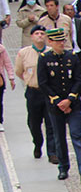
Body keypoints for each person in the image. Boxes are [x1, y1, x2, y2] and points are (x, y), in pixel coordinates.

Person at [38, 27, 81, 183]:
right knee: (59, 137)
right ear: (50, 42)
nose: (61, 43)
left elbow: (79, 80)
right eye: (58, 41)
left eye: (62, 40)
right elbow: (43, 83)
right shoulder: (45, 58)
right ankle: (63, 167)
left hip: (73, 104)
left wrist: (70, 100)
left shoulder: (72, 57)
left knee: (76, 135)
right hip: (55, 105)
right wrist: (58, 101)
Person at [15, 24, 51, 161]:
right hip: (33, 92)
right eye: (37, 34)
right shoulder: (24, 53)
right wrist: (30, 80)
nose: (40, 36)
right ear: (31, 37)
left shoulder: (50, 52)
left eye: (42, 33)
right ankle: (37, 143)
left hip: (48, 92)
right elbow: (19, 71)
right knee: (34, 123)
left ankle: (52, 151)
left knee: (51, 123)